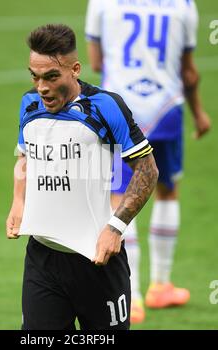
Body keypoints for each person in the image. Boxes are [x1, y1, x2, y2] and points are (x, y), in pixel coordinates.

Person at [6, 23, 158, 330]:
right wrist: (18, 202)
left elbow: (147, 169)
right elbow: (25, 157)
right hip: (42, 258)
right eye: (35, 76)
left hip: (97, 260)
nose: (42, 87)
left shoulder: (105, 106)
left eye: (51, 76)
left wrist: (116, 227)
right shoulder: (29, 104)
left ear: (75, 69)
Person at [85, 0, 211, 324]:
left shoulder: (102, 2)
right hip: (166, 107)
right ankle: (161, 284)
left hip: (118, 110)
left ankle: (133, 296)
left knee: (121, 195)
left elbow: (96, 61)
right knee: (167, 190)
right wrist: (198, 112)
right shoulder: (183, 4)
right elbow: (189, 72)